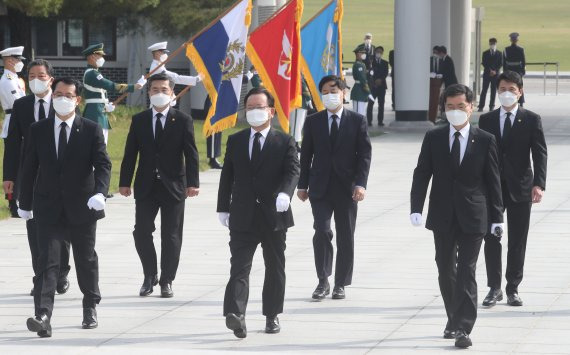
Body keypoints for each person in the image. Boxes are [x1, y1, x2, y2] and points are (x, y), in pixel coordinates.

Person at [410, 84, 503, 348]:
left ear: (471, 108)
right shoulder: (434, 137)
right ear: (443, 109)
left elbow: (493, 180)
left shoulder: (485, 139)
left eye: (460, 106)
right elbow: (422, 173)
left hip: (474, 214)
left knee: (466, 270)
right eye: (450, 107)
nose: (455, 111)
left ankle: (463, 327)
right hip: (442, 213)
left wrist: (497, 217)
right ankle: (453, 315)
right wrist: (416, 207)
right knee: (445, 268)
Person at [18, 77, 111, 337]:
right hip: (47, 206)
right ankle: (43, 315)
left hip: (83, 205)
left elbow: (103, 164)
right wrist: (24, 203)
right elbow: (29, 167)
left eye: (68, 95)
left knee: (85, 259)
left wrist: (100, 193)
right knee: (46, 261)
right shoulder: (39, 129)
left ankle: (90, 305)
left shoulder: (91, 129)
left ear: (77, 100)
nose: (62, 99)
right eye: (58, 94)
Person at [217, 87, 300, 338]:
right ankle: (236, 315)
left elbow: (293, 171)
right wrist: (223, 207)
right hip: (242, 215)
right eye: (250, 108)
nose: (254, 112)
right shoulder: (236, 140)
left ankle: (271, 315)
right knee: (239, 267)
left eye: (259, 107)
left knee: (274, 266)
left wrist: (286, 193)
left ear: (271, 111)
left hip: (274, 214)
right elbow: (227, 176)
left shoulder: (284, 140)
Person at [119, 73, 200, 298]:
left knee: (171, 235)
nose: (159, 93)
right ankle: (149, 275)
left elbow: (191, 153)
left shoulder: (183, 120)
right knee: (142, 231)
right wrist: (124, 182)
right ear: (149, 93)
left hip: (174, 185)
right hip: (146, 185)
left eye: (164, 90)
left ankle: (167, 280)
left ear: (172, 93)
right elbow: (130, 153)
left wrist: (193, 183)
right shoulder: (140, 120)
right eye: (155, 90)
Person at [298, 75, 372, 301]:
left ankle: (341, 283)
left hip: (347, 187)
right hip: (320, 186)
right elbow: (306, 155)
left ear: (343, 93)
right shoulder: (313, 121)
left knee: (345, 235)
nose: (330, 96)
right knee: (321, 231)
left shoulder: (357, 120)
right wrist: (302, 185)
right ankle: (323, 280)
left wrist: (361, 184)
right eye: (325, 92)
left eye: (334, 91)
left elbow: (364, 156)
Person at [3, 59, 72, 296]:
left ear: (50, 79)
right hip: (30, 175)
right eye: (32, 75)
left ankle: (61, 272)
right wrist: (9, 176)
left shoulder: (63, 102)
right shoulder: (21, 105)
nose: (36, 79)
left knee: (60, 227)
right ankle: (41, 277)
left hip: (60, 175)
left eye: (41, 76)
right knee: (34, 228)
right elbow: (12, 143)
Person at [479, 71, 547, 308]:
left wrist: (539, 183)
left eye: (512, 90)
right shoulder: (486, 120)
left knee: (517, 239)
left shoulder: (531, 119)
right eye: (502, 89)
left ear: (520, 92)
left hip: (520, 187)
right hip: (493, 188)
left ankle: (512, 288)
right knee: (492, 237)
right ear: (497, 91)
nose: (506, 94)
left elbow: (539, 153)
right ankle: (494, 287)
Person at [81, 43, 145, 145]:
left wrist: (106, 106)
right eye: (100, 55)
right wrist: (135, 86)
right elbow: (112, 86)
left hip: (99, 111)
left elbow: (99, 96)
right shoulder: (92, 74)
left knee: (101, 144)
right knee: (98, 145)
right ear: (92, 57)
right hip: (95, 114)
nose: (102, 58)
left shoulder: (93, 72)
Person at [0, 46, 26, 217]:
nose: (20, 64)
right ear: (10, 61)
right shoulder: (8, 80)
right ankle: (12, 202)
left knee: (21, 163)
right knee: (13, 164)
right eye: (18, 60)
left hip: (20, 122)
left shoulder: (15, 78)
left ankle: (19, 199)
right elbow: (20, 103)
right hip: (14, 123)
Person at [478, 38, 503, 112]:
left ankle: (491, 106)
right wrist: (490, 70)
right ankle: (481, 106)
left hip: (495, 75)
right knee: (484, 90)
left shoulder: (499, 53)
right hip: (487, 74)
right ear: (489, 44)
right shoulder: (485, 53)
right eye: (491, 44)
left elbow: (500, 63)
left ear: (496, 44)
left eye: (494, 44)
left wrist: (495, 71)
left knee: (493, 91)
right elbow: (484, 63)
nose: (492, 45)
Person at [367, 46, 389, 126]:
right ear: (375, 52)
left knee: (381, 104)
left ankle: (380, 121)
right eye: (377, 52)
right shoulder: (371, 62)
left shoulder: (385, 63)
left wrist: (380, 80)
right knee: (370, 104)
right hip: (373, 86)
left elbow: (385, 73)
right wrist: (375, 81)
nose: (379, 53)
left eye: (380, 52)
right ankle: (369, 121)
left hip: (382, 86)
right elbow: (370, 73)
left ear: (382, 53)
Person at [503, 32, 526, 106]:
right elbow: (523, 61)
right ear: (517, 40)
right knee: (519, 86)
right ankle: (521, 102)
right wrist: (522, 71)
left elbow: (504, 62)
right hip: (518, 70)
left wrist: (505, 71)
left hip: (509, 70)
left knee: (510, 86)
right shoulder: (520, 49)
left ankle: (510, 101)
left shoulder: (506, 49)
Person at [289, 77, 312, 147]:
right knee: (296, 125)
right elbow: (304, 88)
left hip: (298, 104)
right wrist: (309, 100)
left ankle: (296, 143)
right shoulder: (298, 75)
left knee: (297, 125)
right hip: (298, 104)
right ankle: (294, 144)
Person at [350, 47, 372, 117]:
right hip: (359, 92)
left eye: (364, 53)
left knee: (361, 113)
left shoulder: (361, 64)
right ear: (357, 54)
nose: (364, 54)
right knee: (358, 114)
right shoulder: (358, 65)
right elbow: (362, 79)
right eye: (362, 53)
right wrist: (368, 92)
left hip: (361, 92)